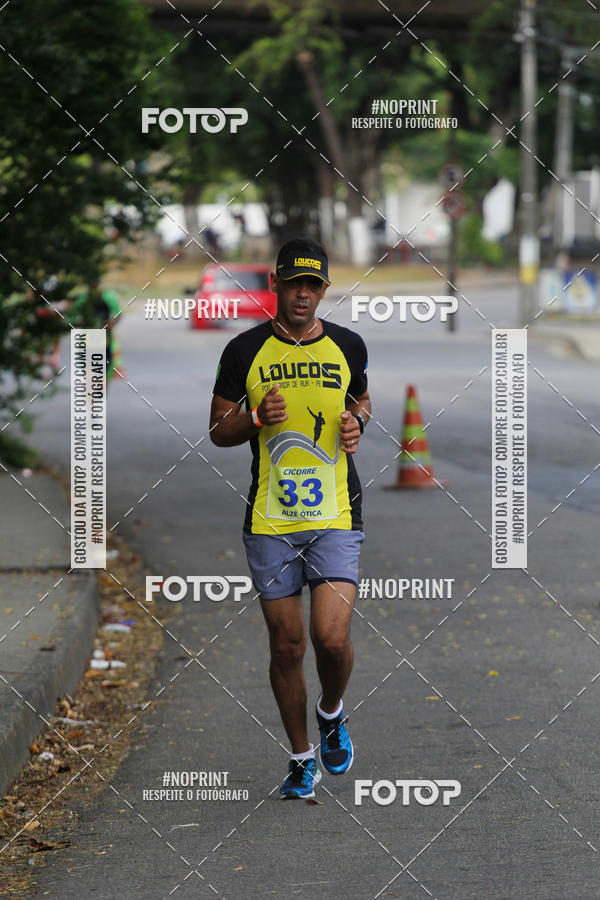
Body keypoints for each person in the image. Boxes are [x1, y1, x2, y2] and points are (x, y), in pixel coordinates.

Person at [210, 237, 371, 799]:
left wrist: (357, 425)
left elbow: (360, 403)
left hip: (336, 511)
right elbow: (218, 431)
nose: (304, 295)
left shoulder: (348, 345)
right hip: (271, 518)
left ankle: (332, 711)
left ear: (324, 289)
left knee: (331, 639)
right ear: (276, 285)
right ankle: (302, 758)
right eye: (294, 283)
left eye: (314, 285)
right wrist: (254, 417)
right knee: (287, 646)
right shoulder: (243, 351)